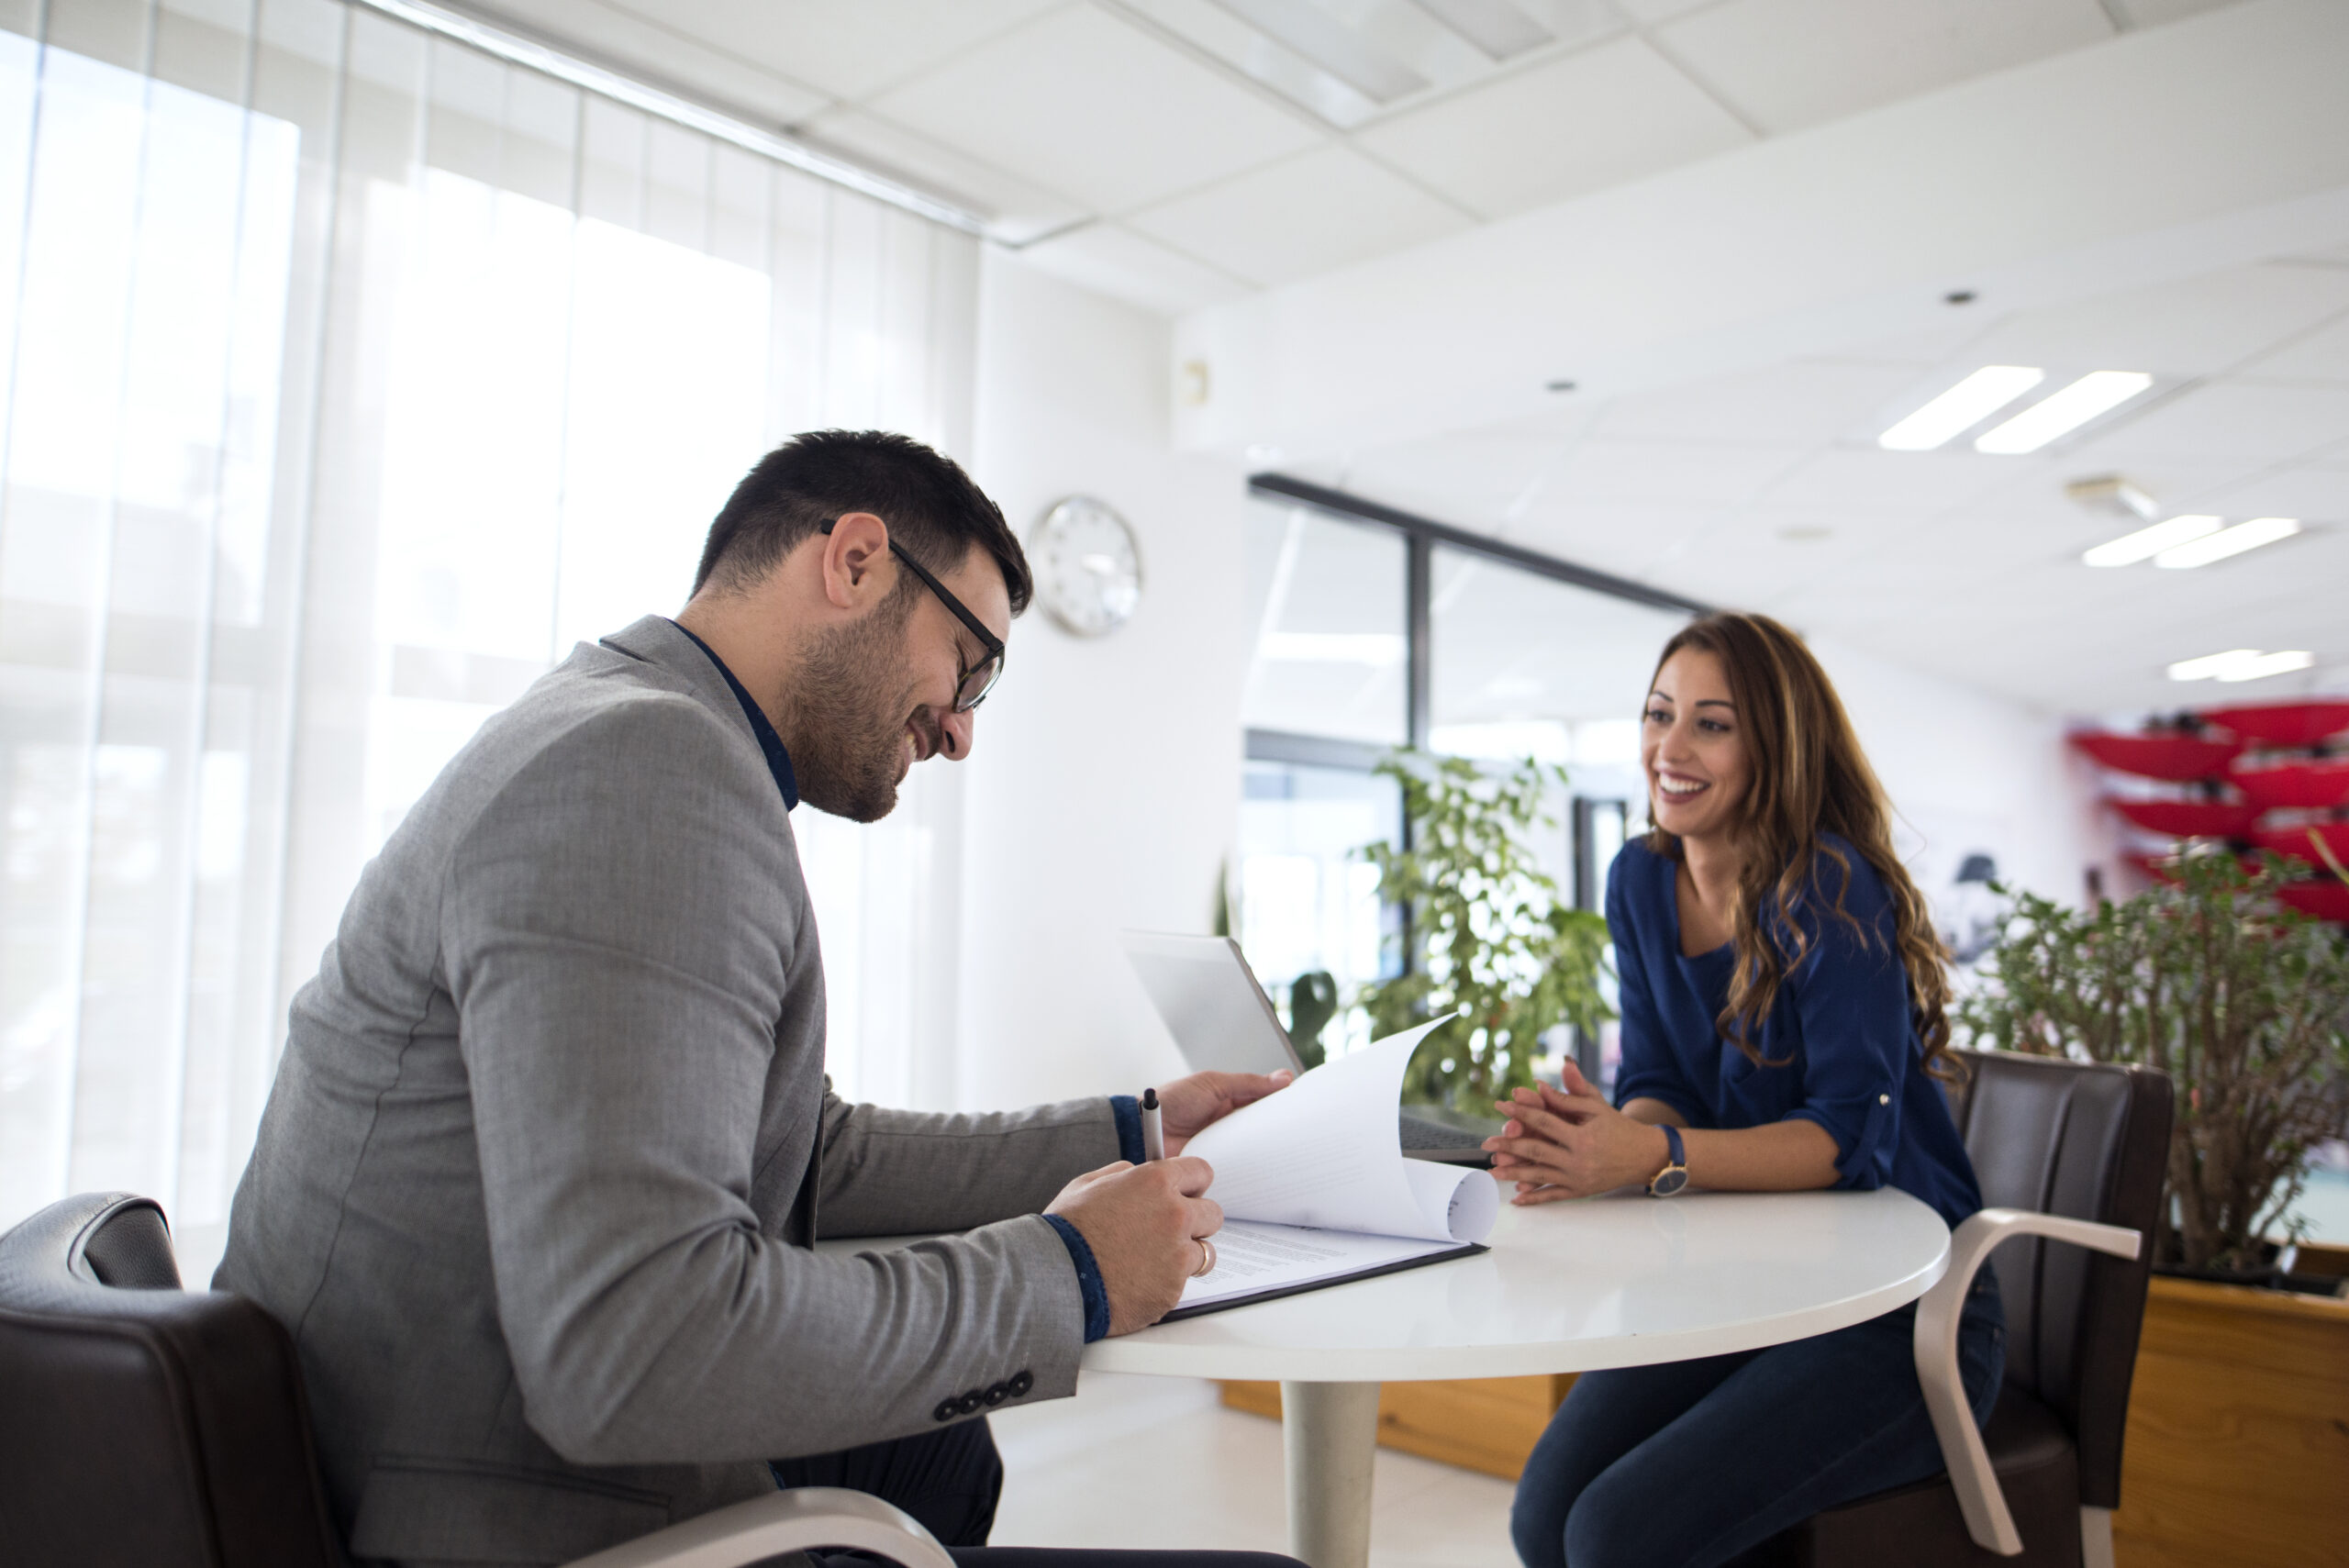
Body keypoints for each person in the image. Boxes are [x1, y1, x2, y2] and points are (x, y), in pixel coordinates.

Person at [216, 430, 1299, 1568]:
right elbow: (634, 1344)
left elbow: (804, 1148)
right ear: (856, 562)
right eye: (969, 664)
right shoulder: (645, 772)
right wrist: (1069, 1270)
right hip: (486, 1504)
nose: (963, 730)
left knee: (942, 1455)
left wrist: (1135, 1131)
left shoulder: (621, 721)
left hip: (412, 1428)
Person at [1487, 611, 2004, 1568]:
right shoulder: (1639, 877)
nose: (1668, 748)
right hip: (1744, 1283)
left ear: (1774, 744)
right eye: (1657, 712)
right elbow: (1658, 1081)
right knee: (1543, 1512)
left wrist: (1651, 1154)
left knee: (1616, 1534)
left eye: (1710, 723)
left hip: (1899, 1313)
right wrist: (1603, 1138)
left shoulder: (1832, 887)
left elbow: (1852, 1139)